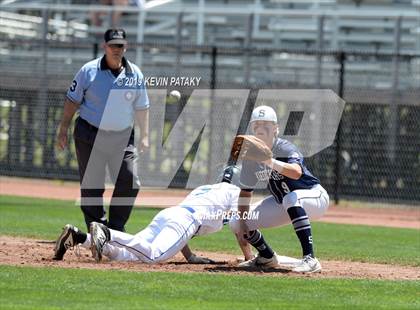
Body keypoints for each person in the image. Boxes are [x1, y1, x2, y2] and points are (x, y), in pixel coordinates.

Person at [53, 166, 254, 263]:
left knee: (126, 256)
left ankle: (79, 237)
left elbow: (183, 231)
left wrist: (190, 257)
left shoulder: (205, 189)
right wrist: (249, 258)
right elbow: (240, 228)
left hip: (169, 215)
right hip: (184, 220)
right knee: (153, 256)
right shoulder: (236, 192)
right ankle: (107, 233)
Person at [56, 28, 149, 232]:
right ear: (104, 46)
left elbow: (142, 107)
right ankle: (97, 230)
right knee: (92, 186)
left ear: (126, 46)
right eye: (113, 45)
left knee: (130, 180)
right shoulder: (88, 70)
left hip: (122, 137)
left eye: (120, 45)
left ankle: (115, 230)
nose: (117, 49)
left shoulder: (135, 74)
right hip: (89, 134)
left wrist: (145, 136)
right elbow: (72, 101)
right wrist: (63, 128)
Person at [230, 105, 329, 273]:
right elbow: (246, 193)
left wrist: (269, 161)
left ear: (276, 128)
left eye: (266, 124)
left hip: (314, 197)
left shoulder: (285, 147)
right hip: (284, 203)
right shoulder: (251, 158)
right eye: (257, 125)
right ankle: (267, 257)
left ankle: (310, 259)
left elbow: (296, 173)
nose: (260, 128)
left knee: (290, 198)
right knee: (236, 222)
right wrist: (243, 222)